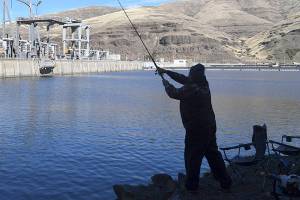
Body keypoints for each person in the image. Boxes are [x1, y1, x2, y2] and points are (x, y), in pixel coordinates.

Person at [157, 63, 232, 192]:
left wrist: (166, 84)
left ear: (193, 75)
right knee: (214, 155)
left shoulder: (191, 88)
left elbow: (174, 93)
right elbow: (183, 79)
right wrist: (167, 72)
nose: (189, 75)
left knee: (192, 158)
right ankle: (225, 182)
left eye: (190, 73)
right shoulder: (203, 84)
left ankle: (192, 187)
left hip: (196, 130)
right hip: (209, 126)